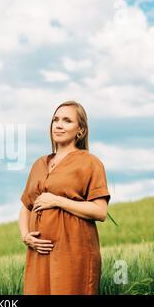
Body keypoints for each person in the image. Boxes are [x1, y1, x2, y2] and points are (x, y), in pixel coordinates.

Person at [19, 100, 111, 295]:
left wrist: (57, 200)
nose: (58, 125)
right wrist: (26, 236)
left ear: (81, 131)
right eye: (55, 119)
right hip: (39, 253)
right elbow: (26, 206)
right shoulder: (39, 164)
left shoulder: (90, 163)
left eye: (67, 120)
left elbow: (100, 211)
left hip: (73, 252)